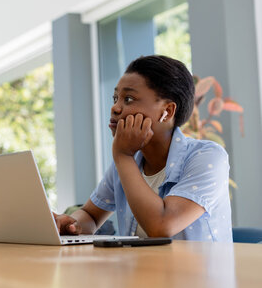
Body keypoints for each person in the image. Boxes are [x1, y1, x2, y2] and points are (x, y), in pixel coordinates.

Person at [54, 55, 232, 242]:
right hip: (143, 270)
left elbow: (161, 226)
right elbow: (90, 215)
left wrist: (122, 156)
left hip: (195, 272)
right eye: (116, 98)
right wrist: (72, 224)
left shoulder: (208, 157)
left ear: (167, 111)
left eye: (128, 99)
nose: (115, 107)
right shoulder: (129, 161)